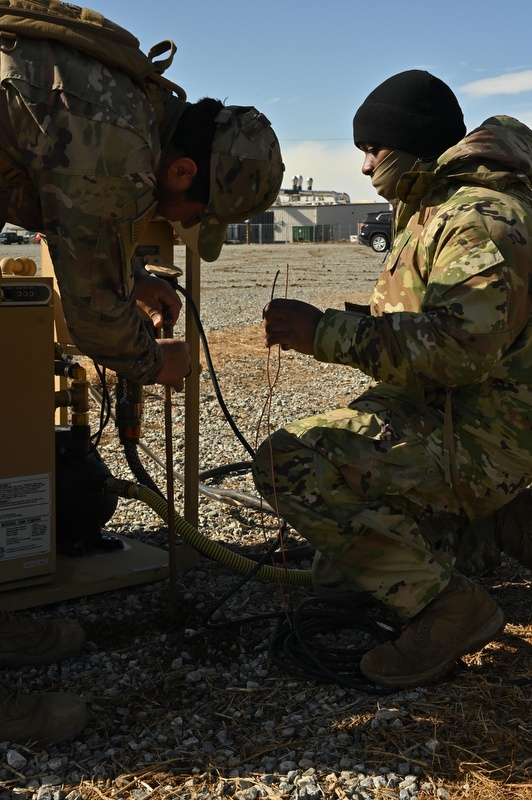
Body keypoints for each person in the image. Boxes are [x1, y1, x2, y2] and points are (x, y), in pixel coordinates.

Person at [0, 27, 284, 743]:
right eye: (194, 217)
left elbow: (69, 212)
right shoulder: (119, 143)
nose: (182, 226)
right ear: (182, 171)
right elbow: (96, 322)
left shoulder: (130, 112)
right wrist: (156, 363)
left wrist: (130, 275)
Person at [253, 69, 532, 689]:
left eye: (371, 150)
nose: (363, 167)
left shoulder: (475, 221)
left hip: (486, 438)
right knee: (338, 571)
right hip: (474, 419)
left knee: (291, 463)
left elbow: (461, 351)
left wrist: (325, 333)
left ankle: (450, 608)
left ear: (412, 144)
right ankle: (497, 522)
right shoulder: (437, 209)